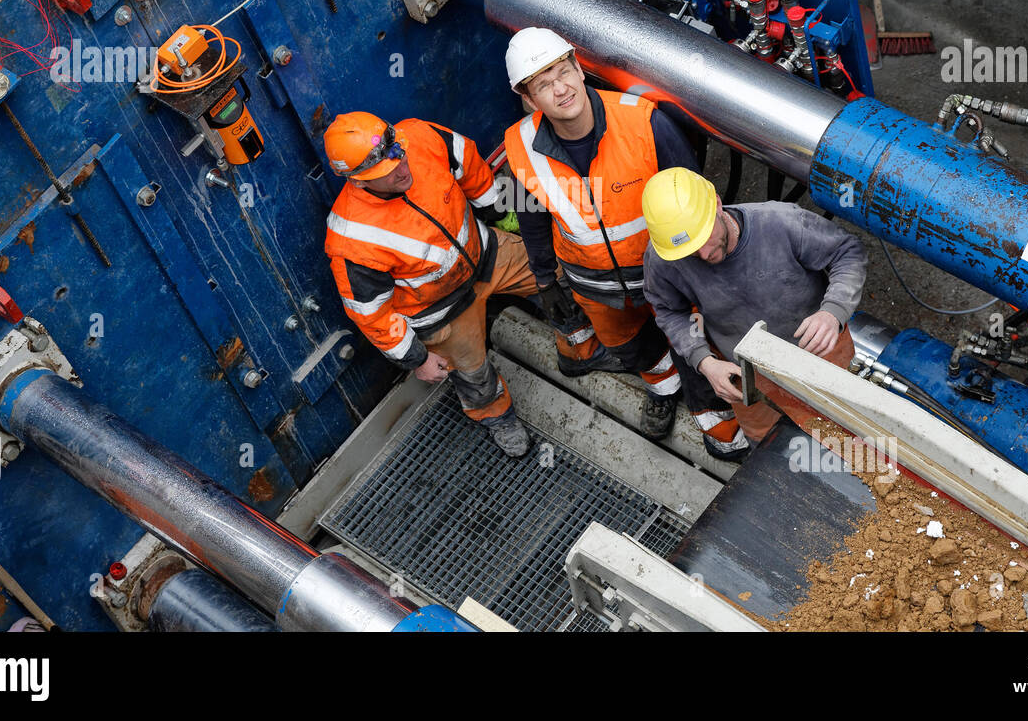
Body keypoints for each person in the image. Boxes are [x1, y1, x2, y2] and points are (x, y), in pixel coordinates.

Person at [501, 28, 745, 460]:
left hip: (670, 276)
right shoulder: (518, 147)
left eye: (563, 72)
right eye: (543, 84)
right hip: (594, 287)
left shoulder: (644, 121)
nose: (560, 90)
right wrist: (545, 281)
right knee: (634, 349)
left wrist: (710, 278)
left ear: (578, 67)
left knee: (699, 355)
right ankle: (663, 390)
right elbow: (531, 217)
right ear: (527, 96)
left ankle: (721, 430)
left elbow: (695, 201)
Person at [324, 111, 600, 457]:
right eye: (385, 171)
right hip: (440, 312)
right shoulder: (352, 240)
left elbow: (467, 161)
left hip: (486, 255)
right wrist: (416, 359)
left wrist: (498, 212)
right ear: (357, 180)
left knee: (560, 275)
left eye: (398, 155)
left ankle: (578, 349)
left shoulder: (420, 137)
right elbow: (371, 315)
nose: (400, 167)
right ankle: (497, 416)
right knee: (473, 374)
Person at [641, 167, 868, 445]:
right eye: (690, 252)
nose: (704, 254)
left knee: (844, 429)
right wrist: (705, 361)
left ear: (717, 204)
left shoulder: (780, 223)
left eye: (704, 238)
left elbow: (847, 253)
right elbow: (668, 310)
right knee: (770, 443)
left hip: (821, 351)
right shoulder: (665, 258)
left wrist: (832, 313)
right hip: (747, 373)